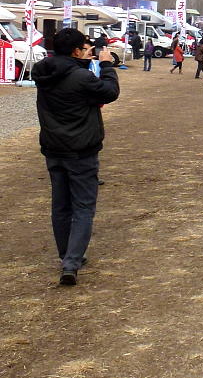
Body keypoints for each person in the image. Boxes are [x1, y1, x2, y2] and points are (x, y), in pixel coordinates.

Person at [32, 28, 120, 285]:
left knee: (60, 205)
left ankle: (67, 256)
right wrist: (106, 66)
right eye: (84, 47)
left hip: (53, 148)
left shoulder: (44, 72)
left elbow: (70, 79)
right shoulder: (81, 77)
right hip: (81, 150)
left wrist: (85, 63)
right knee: (82, 207)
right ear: (75, 51)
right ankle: (71, 262)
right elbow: (110, 92)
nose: (87, 50)